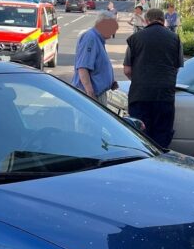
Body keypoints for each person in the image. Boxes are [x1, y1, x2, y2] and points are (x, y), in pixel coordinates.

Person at [123, 8, 184, 148]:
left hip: (139, 96)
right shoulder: (175, 39)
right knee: (161, 139)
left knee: (140, 139)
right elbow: (176, 67)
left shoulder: (135, 39)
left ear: (146, 21)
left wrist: (139, 80)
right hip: (164, 96)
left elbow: (127, 70)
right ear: (164, 21)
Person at [72, 13, 120, 106]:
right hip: (90, 95)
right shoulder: (91, 38)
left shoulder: (97, 38)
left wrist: (110, 81)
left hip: (96, 93)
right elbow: (83, 68)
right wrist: (90, 95)